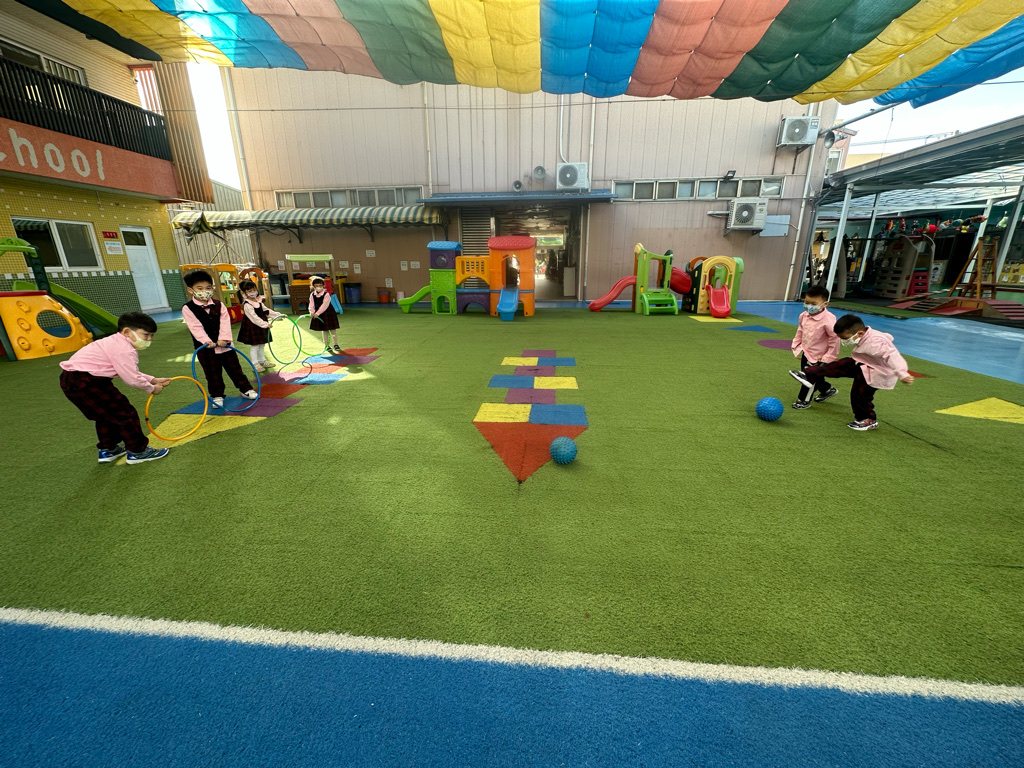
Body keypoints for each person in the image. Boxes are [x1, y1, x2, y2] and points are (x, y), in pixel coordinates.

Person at [59, 312, 171, 464]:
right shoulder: (124, 349)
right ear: (127, 332)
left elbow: (126, 370)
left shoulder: (113, 342)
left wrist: (152, 379)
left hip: (71, 379)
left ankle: (108, 449)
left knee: (106, 415)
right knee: (125, 413)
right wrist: (152, 389)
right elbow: (132, 378)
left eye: (152, 336)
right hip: (88, 382)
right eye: (146, 335)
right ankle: (138, 451)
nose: (149, 339)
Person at [789, 314, 913, 431]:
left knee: (860, 394)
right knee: (840, 365)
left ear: (860, 333)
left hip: (877, 372)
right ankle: (808, 374)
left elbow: (893, 356)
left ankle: (868, 419)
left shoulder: (876, 342)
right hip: (863, 364)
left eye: (845, 338)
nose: (843, 341)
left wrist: (902, 373)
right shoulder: (864, 334)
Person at [182, 270, 257, 409]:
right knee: (212, 373)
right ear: (190, 290)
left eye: (208, 288)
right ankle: (217, 395)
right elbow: (195, 327)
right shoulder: (188, 308)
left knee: (235, 368)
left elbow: (225, 322)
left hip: (225, 346)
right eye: (200, 288)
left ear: (212, 288)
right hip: (206, 349)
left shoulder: (219, 304)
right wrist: (206, 341)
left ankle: (245, 389)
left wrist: (224, 338)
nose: (204, 292)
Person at [790, 285, 840, 409]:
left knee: (809, 378)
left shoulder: (829, 320)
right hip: (806, 351)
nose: (809, 306)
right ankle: (827, 389)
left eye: (813, 303)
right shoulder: (804, 315)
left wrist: (828, 357)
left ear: (825, 304)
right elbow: (800, 330)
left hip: (820, 356)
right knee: (815, 375)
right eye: (806, 302)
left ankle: (803, 401)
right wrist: (796, 343)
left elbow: (834, 339)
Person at [236, 278, 282, 374]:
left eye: (254, 290)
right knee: (255, 346)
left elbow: (266, 311)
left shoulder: (258, 301)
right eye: (250, 291)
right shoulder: (247, 304)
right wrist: (265, 324)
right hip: (253, 327)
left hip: (261, 326)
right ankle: (255, 364)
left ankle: (262, 361)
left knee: (261, 344)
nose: (253, 292)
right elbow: (254, 318)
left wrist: (278, 315)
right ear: (244, 293)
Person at [308, 276, 341, 353]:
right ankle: (326, 345)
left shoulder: (326, 294)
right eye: (316, 286)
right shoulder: (312, 294)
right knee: (324, 330)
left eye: (320, 286)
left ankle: (336, 344)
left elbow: (325, 305)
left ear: (323, 286)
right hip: (319, 315)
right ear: (313, 287)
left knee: (332, 329)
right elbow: (311, 304)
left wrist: (317, 313)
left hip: (328, 313)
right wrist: (312, 312)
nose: (318, 287)